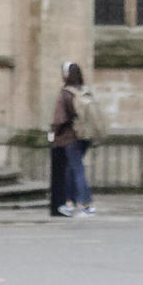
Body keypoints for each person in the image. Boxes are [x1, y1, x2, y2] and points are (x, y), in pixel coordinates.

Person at [52, 61, 98, 216]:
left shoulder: (66, 93)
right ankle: (70, 203)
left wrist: (54, 133)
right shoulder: (84, 91)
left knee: (77, 169)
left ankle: (87, 204)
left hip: (71, 136)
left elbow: (60, 119)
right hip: (85, 135)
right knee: (71, 169)